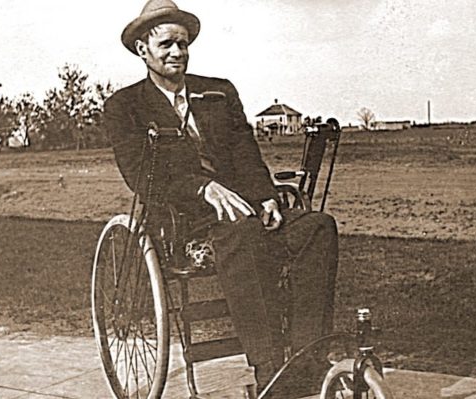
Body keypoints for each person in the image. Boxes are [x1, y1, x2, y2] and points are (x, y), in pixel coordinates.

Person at [104, 0, 338, 395]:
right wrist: (201, 187)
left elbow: (245, 151)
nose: (177, 52)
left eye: (182, 43)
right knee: (242, 234)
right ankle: (270, 369)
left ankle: (308, 358)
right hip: (182, 219)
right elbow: (141, 176)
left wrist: (265, 197)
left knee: (317, 227)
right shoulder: (124, 107)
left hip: (243, 207)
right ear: (143, 49)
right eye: (166, 45)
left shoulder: (218, 93)